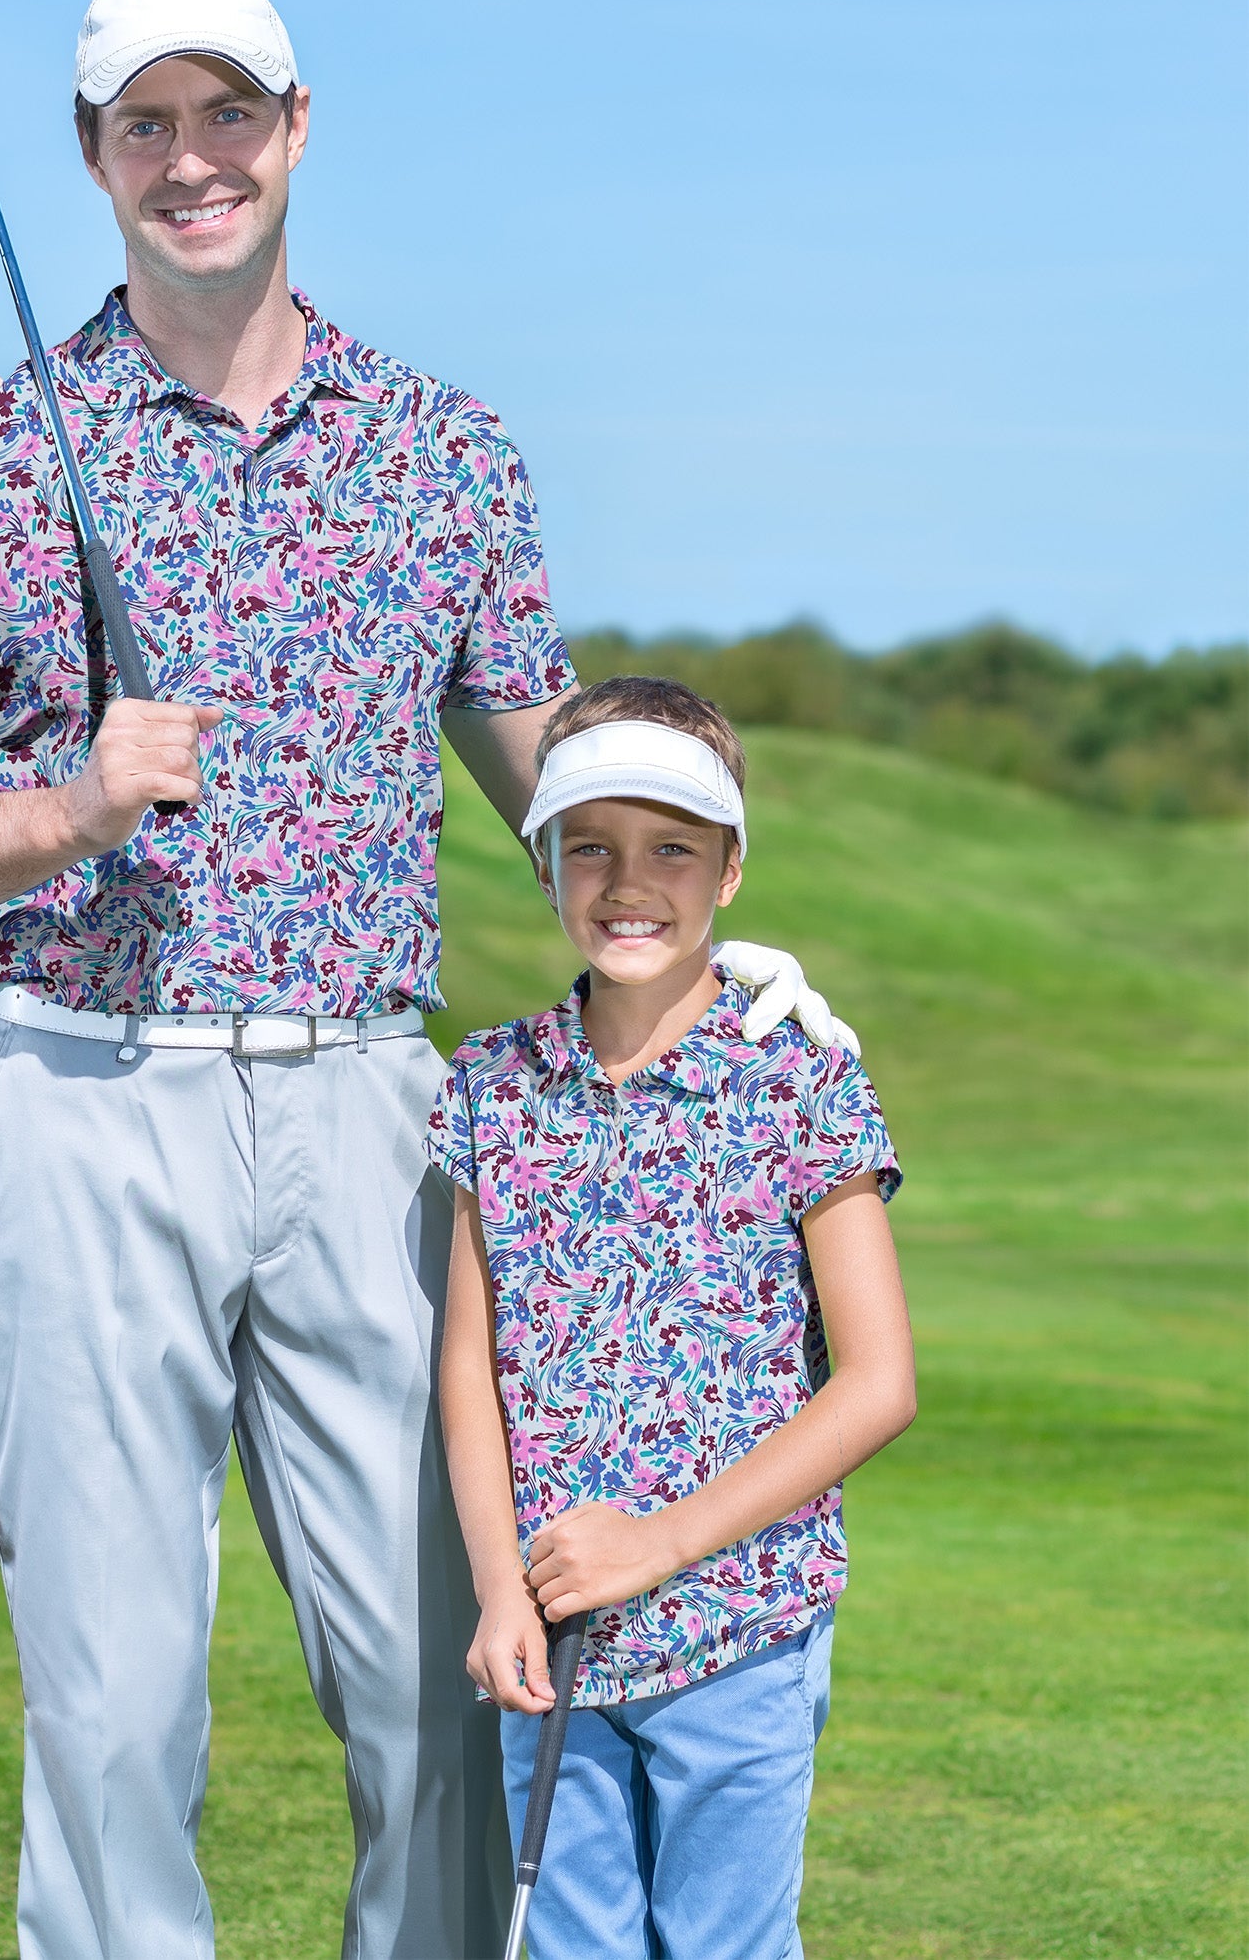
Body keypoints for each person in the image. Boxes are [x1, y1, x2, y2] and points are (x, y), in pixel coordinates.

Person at [0, 0, 846, 1959]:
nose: (193, 161)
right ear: (92, 156)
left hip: (376, 1107)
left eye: (228, 114)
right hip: (78, 1087)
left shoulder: (444, 449)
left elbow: (552, 773)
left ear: (295, 126)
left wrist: (710, 920)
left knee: (448, 1669)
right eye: (145, 124)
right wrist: (56, 816)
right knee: (112, 1706)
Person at [431, 676, 918, 1960]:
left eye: (671, 849)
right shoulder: (492, 1083)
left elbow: (877, 1383)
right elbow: (468, 1374)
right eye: (588, 845)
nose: (627, 881)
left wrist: (658, 1544)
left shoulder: (796, 1074)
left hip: (741, 1617)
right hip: (552, 1631)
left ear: (730, 871)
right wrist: (497, 1592)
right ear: (543, 860)